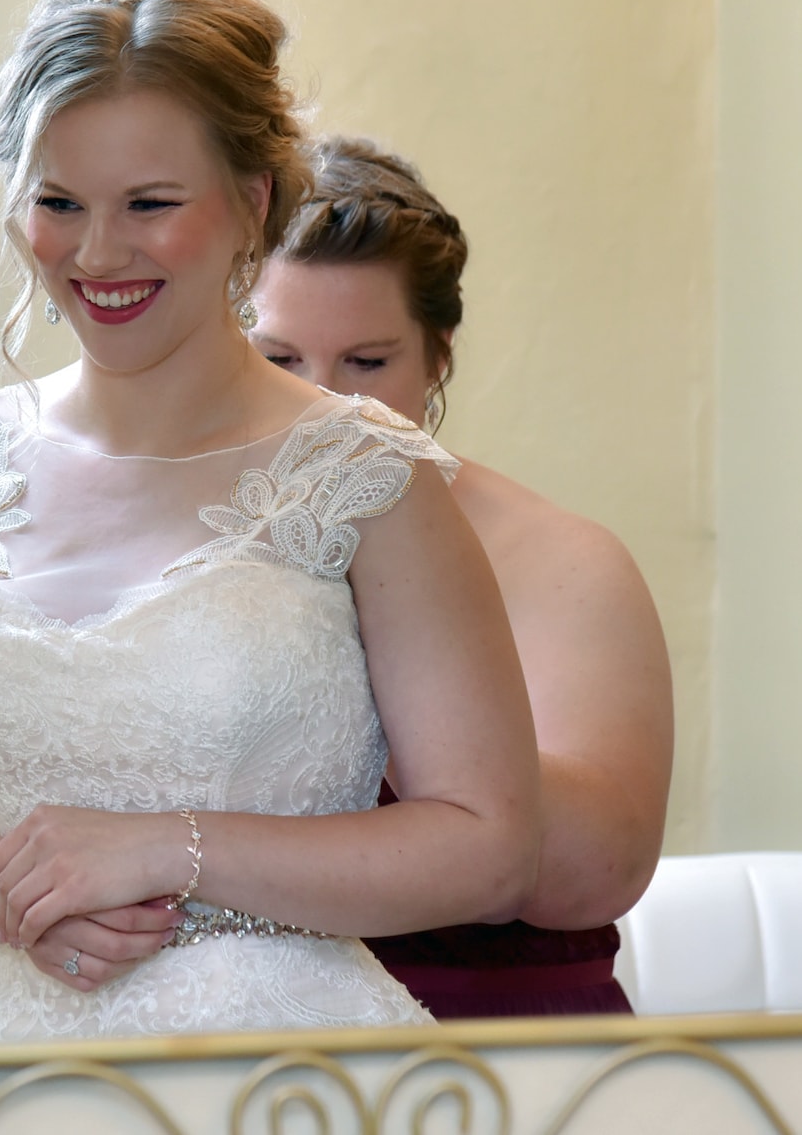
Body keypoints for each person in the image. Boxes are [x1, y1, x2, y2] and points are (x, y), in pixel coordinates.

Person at [0, 0, 541, 1043]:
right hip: (5, 1062)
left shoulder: (363, 474)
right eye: (57, 201)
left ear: (249, 203)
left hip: (285, 1062)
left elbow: (488, 840)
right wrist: (5, 886)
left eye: (149, 202)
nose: (97, 251)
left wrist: (167, 845)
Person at [249, 137, 673, 1017]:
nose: (322, 405)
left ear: (437, 357)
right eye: (278, 360)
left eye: (368, 363)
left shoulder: (561, 561)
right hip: (231, 1043)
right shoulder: (154, 538)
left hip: (503, 1043)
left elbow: (605, 869)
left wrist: (404, 691)